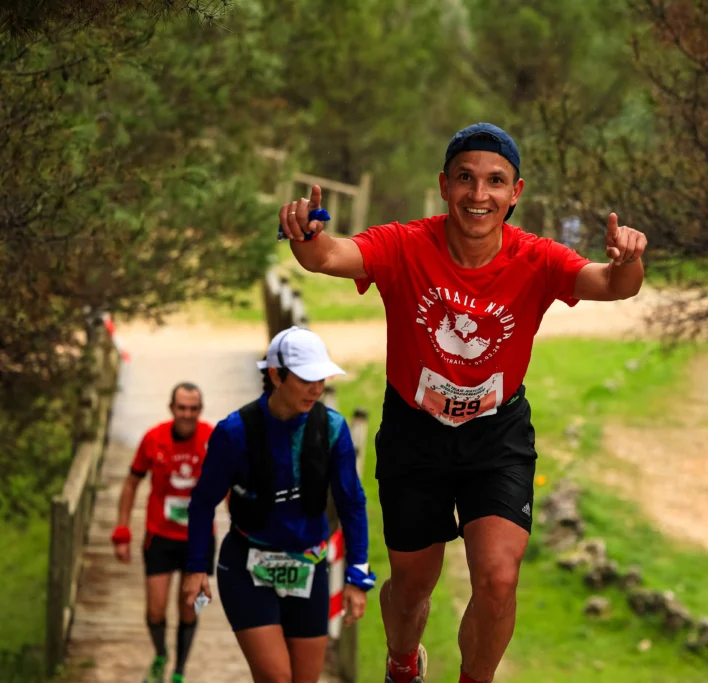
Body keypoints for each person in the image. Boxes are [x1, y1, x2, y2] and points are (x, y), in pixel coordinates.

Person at [279, 122, 648, 683]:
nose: (480, 195)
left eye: (495, 181)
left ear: (516, 192)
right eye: (467, 179)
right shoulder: (404, 245)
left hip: (495, 436)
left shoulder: (537, 259)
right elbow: (329, 255)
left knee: (498, 577)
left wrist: (628, 260)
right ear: (445, 185)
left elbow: (612, 285)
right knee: (410, 587)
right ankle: (404, 661)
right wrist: (306, 235)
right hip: (414, 434)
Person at [180, 326, 376, 683]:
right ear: (276, 374)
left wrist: (357, 575)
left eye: (322, 378)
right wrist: (196, 567)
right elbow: (202, 501)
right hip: (248, 563)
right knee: (276, 678)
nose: (317, 388)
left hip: (308, 564)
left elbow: (352, 503)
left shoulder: (332, 429)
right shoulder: (234, 431)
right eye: (306, 379)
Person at [111, 382, 215, 683]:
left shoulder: (213, 440)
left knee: (189, 610)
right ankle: (160, 654)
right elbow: (131, 483)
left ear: (200, 411)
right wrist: (122, 530)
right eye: (182, 407)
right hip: (160, 536)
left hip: (200, 541)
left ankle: (179, 671)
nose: (187, 414)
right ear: (171, 409)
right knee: (155, 610)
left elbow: (230, 487)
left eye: (193, 408)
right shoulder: (153, 439)